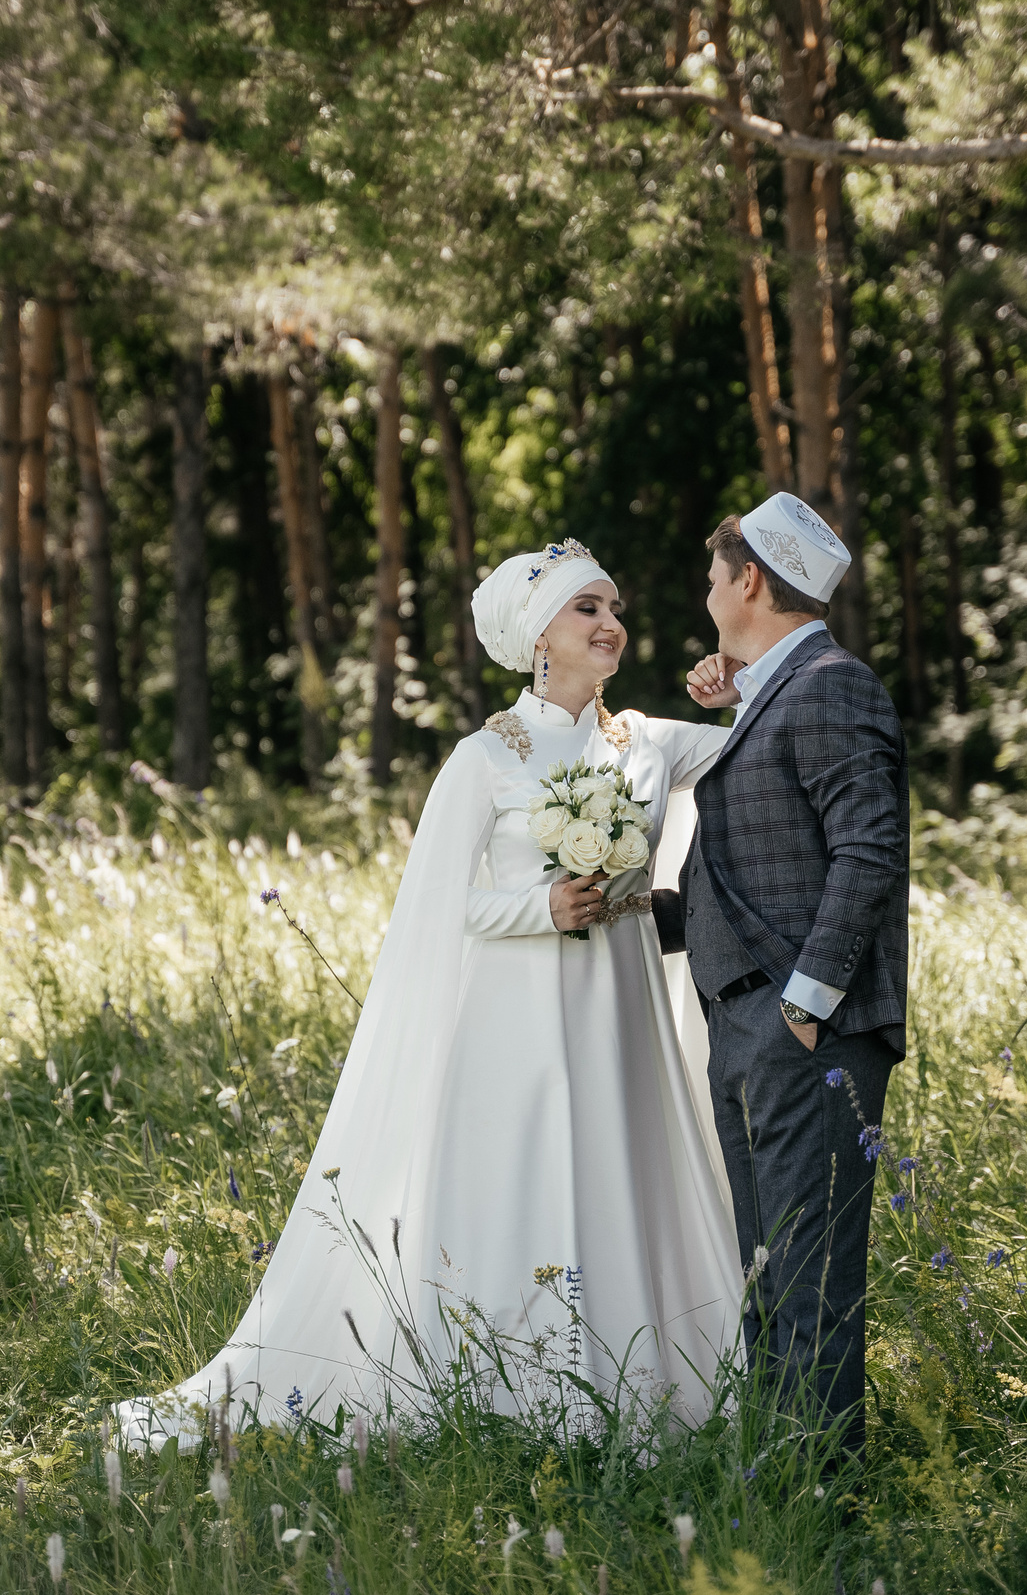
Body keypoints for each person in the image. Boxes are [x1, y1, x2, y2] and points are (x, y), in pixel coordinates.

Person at [117, 540, 740, 1449]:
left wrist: (737, 687)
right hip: (519, 1016)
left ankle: (639, 1378)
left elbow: (751, 748)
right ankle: (511, 1386)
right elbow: (441, 905)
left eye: (613, 608)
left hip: (620, 1008)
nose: (614, 625)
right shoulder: (485, 759)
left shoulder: (647, 740)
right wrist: (539, 905)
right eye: (589, 610)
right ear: (539, 638)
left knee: (619, 1159)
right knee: (527, 1173)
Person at [673, 493, 909, 1467]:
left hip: (804, 1027)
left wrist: (805, 1007)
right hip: (747, 1028)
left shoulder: (827, 685)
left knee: (811, 1284)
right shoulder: (774, 685)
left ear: (750, 582)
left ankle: (828, 1501)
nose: (706, 593)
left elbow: (869, 849)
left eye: (713, 576)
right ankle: (782, 1485)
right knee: (769, 1279)